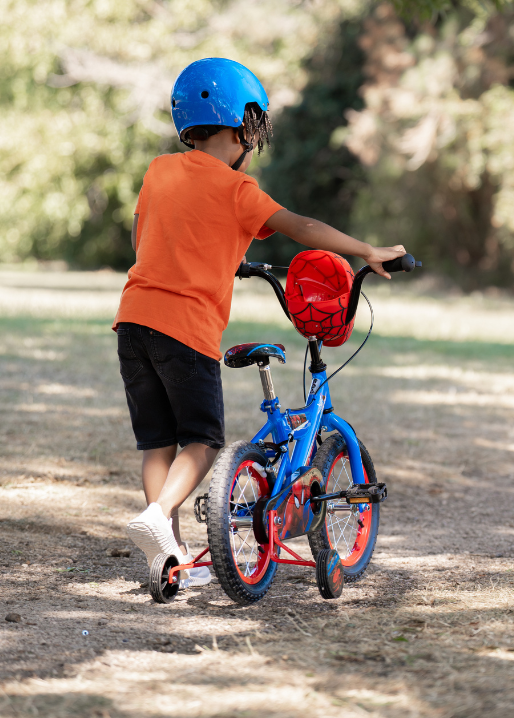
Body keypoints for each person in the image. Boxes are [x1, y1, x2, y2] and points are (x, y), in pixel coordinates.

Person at [114, 57, 405, 587]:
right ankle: (158, 517)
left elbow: (145, 242)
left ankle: (167, 562)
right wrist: (366, 249)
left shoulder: (158, 171)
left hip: (133, 323)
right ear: (243, 124)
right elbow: (303, 227)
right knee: (201, 441)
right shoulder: (237, 191)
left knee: (156, 442)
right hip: (186, 328)